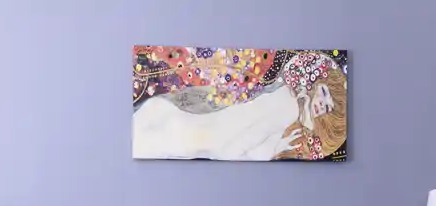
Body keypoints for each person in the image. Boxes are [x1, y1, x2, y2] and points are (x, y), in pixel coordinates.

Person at [132, 50, 346, 161]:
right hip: (180, 130)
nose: (322, 105)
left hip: (177, 124)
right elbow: (233, 149)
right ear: (315, 82)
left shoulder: (287, 103)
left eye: (328, 107)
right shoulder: (287, 104)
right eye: (325, 94)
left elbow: (245, 144)